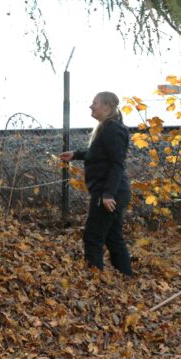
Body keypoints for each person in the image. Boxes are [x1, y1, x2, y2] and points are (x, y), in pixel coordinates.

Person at [60, 91, 134, 277]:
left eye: (95, 103)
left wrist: (108, 194)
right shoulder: (107, 128)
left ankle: (93, 282)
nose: (91, 106)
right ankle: (127, 277)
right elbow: (100, 155)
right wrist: (76, 155)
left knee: (93, 235)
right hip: (113, 190)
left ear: (107, 107)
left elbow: (117, 164)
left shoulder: (111, 130)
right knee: (113, 236)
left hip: (109, 192)